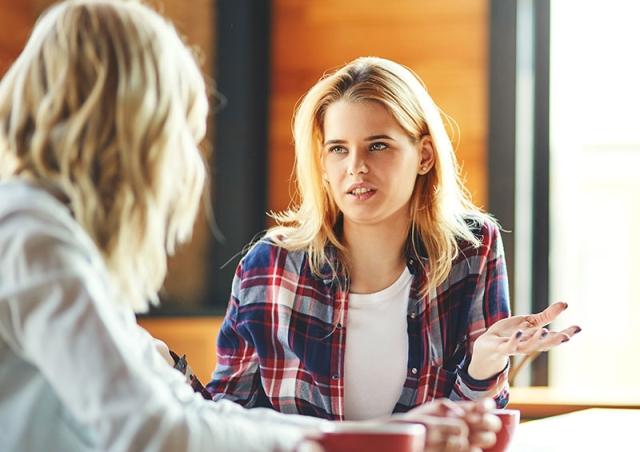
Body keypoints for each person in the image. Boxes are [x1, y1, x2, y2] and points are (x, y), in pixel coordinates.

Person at [0, 2, 501, 451]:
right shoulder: (31, 237)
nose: (183, 160)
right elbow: (156, 431)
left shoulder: (47, 237)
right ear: (126, 126)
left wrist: (384, 435)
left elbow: (191, 415)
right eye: (176, 128)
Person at [208, 57, 581, 423]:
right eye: (338, 149)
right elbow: (225, 417)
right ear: (322, 164)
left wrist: (484, 363)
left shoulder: (471, 248)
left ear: (424, 155)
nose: (356, 166)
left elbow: (472, 430)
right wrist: (165, 373)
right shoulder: (269, 267)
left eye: (378, 145)